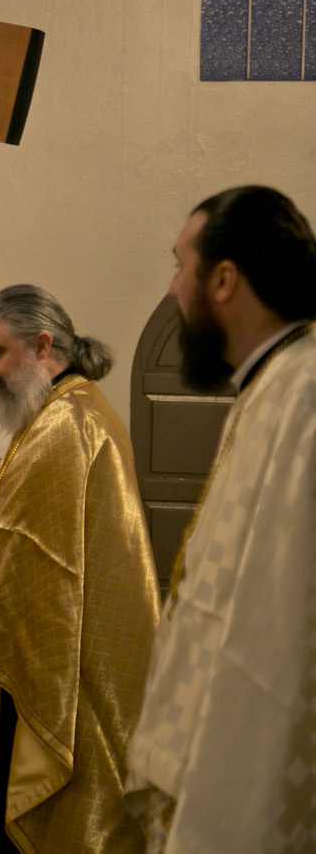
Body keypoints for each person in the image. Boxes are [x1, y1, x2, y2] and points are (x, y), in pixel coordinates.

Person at [0, 284, 159, 853]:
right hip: (38, 656)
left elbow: (24, 556)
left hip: (49, 669)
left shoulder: (64, 425)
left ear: (44, 345)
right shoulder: (55, 409)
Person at [127, 186, 316, 853]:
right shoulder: (271, 385)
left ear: (224, 279)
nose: (174, 287)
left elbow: (278, 610)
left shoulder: (303, 394)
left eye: (180, 265)